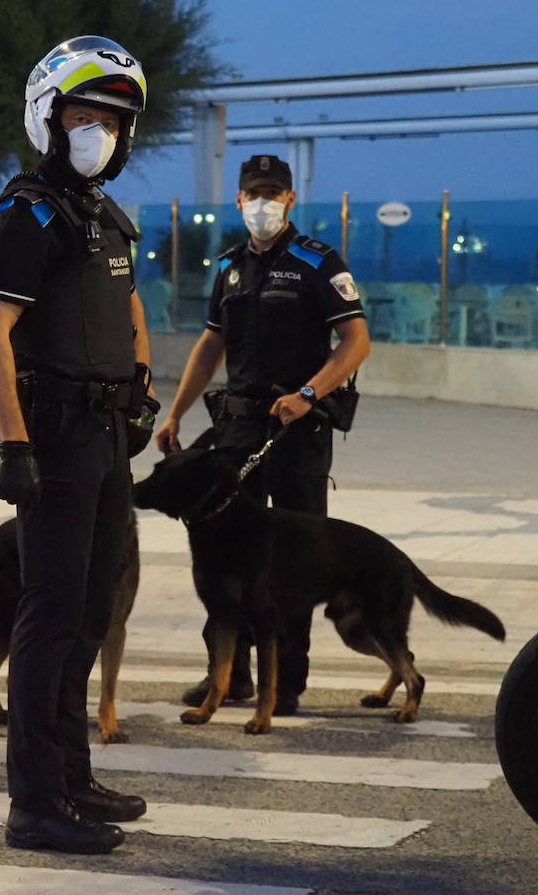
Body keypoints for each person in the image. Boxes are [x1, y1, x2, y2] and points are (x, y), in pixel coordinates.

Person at [0, 36, 158, 855]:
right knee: (47, 621)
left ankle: (73, 777)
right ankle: (34, 806)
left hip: (109, 437)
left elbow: (127, 311)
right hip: (54, 439)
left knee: (89, 614)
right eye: (86, 116)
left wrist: (143, 386)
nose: (100, 133)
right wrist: (14, 446)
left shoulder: (102, 217)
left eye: (113, 121)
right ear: (49, 118)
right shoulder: (26, 213)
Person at [154, 154, 371, 717]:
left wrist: (309, 394)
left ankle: (288, 681)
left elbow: (355, 342)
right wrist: (175, 413)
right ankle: (229, 676)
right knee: (222, 553)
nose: (263, 203)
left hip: (296, 430)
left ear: (291, 200)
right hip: (236, 429)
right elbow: (210, 346)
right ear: (239, 200)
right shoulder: (230, 267)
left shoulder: (318, 262)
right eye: (254, 193)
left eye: (273, 193)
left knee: (296, 557)